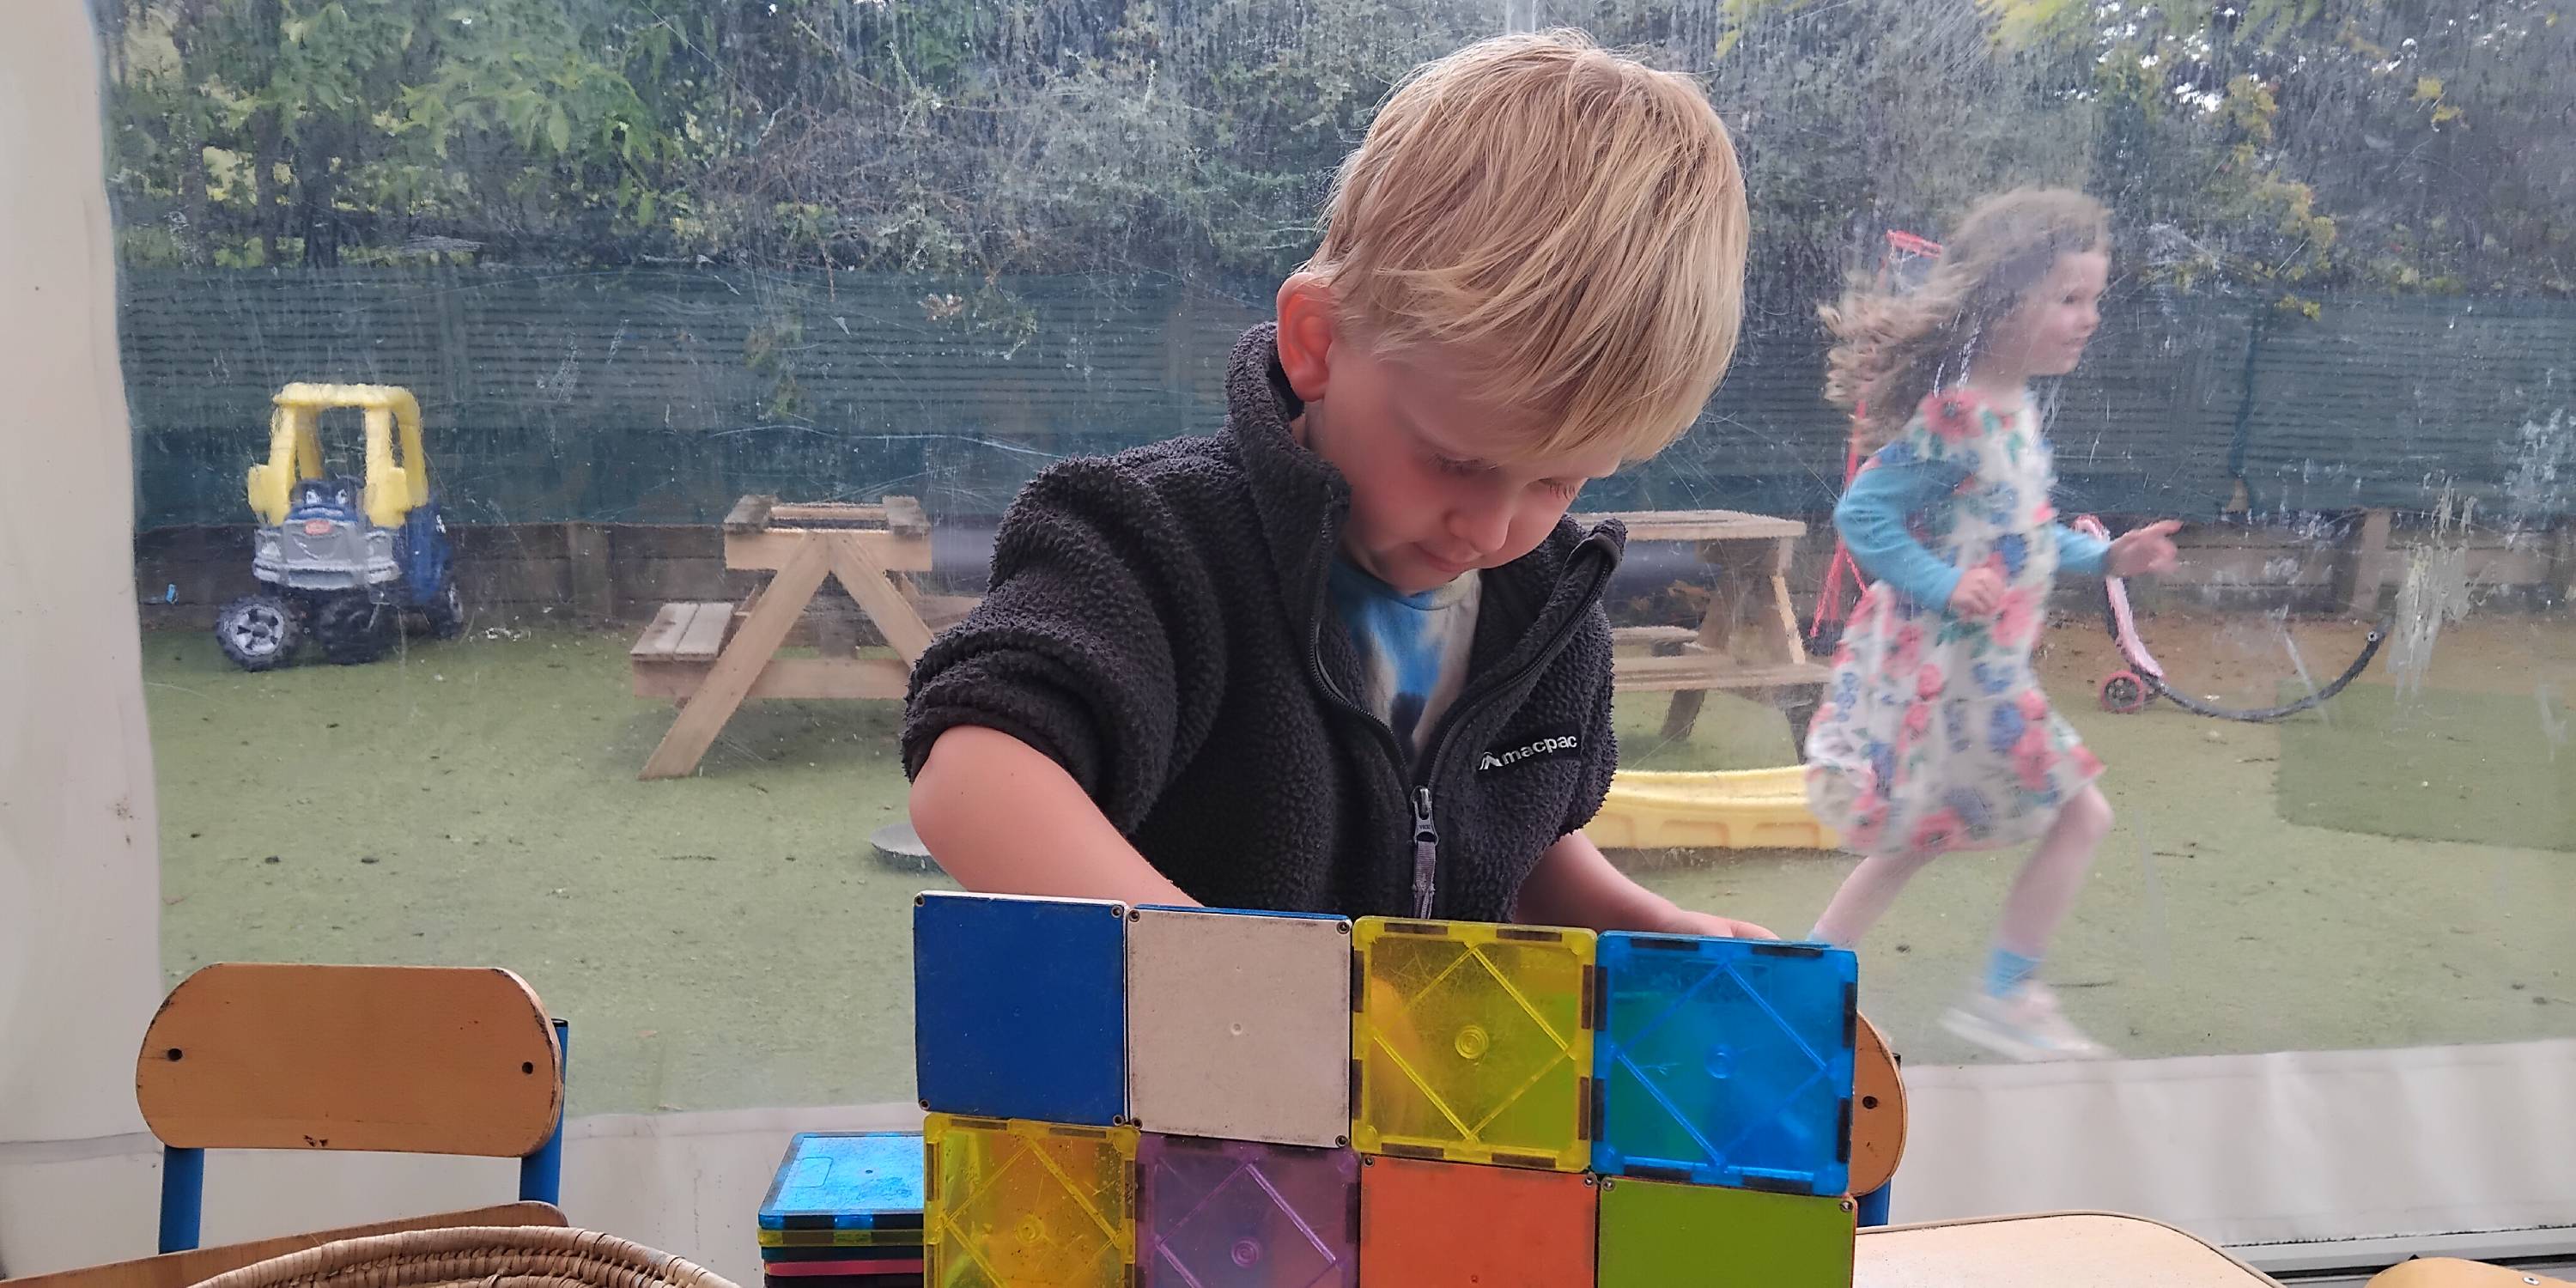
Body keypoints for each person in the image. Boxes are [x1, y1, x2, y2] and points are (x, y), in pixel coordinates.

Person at [903, 30, 1771, 939]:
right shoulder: (1150, 544)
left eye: (1559, 482)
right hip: (1179, 1032)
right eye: (1456, 461)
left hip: (1401, 1037)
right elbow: (973, 777)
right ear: (1317, 344)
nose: (1490, 529)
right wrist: (1226, 977)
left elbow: (1503, 838)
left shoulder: (1548, 611)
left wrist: (1638, 919)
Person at [1802, 188, 2181, 1060]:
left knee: (1915, 838)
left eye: (2094, 298)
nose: (2090, 318)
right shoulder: (1961, 416)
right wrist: (1943, 583)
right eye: (2070, 298)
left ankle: (1804, 977)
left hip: (1980, 675)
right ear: (2006, 301)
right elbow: (1863, 513)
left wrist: (2106, 558)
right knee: (2082, 817)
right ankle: (2006, 995)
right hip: (1961, 678)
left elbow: (2019, 535)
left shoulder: (2012, 411)